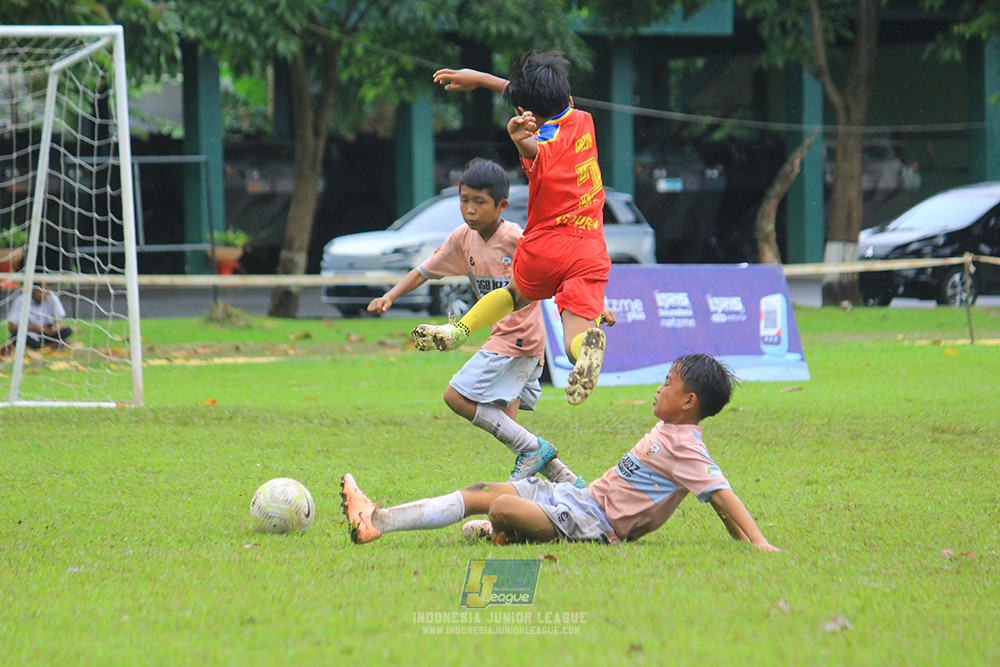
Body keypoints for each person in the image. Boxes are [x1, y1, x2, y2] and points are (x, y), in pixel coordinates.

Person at [341, 353, 780, 552]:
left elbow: (720, 493)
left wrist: (755, 541)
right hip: (580, 499)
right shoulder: (669, 426)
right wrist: (738, 539)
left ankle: (507, 529)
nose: (659, 387)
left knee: (502, 508)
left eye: (668, 383)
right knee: (482, 491)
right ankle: (378, 520)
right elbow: (709, 495)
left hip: (595, 524)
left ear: (689, 403)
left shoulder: (687, 445)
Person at [368, 158, 593, 484]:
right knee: (509, 429)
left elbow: (558, 277)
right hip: (507, 339)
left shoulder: (517, 239)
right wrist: (391, 296)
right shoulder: (462, 238)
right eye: (464, 200)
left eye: (479, 202)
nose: (469, 210)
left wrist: (593, 310)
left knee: (455, 397)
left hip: (519, 338)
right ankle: (570, 483)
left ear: (501, 205)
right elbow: (425, 270)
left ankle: (534, 453)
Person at [412, 50, 612, 407]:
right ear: (565, 97)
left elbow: (534, 148)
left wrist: (518, 138)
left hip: (546, 246)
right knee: (575, 335)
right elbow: (538, 100)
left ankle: (457, 330)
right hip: (589, 249)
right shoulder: (583, 119)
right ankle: (586, 349)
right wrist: (483, 79)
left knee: (515, 295)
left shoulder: (541, 144)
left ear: (527, 111)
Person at [2, 283, 72, 355]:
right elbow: (11, 327)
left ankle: (46, 345)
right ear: (34, 290)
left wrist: (54, 328)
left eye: (47, 292)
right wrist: (32, 328)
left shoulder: (51, 297)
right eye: (42, 292)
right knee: (16, 336)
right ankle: (50, 346)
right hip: (29, 333)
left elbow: (60, 322)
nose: (45, 295)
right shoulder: (21, 300)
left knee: (67, 330)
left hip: (46, 332)